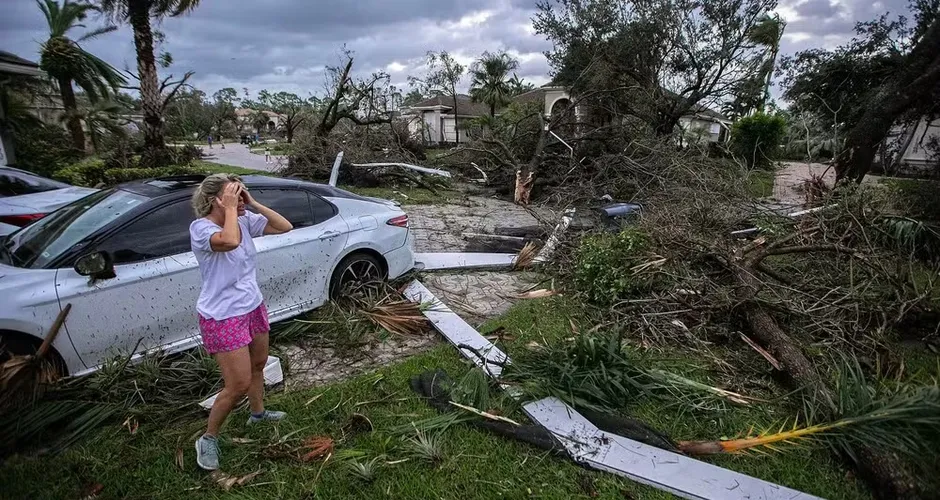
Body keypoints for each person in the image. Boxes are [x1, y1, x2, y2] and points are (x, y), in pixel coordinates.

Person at [190, 174, 293, 470]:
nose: (239, 197)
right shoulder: (201, 228)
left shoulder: (244, 220)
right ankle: (208, 438)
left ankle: (258, 413)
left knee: (259, 364)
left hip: (252, 305)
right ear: (215, 201)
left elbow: (284, 226)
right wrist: (233, 209)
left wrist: (252, 202)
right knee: (237, 384)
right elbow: (230, 241)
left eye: (240, 192)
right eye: (233, 194)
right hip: (223, 315)